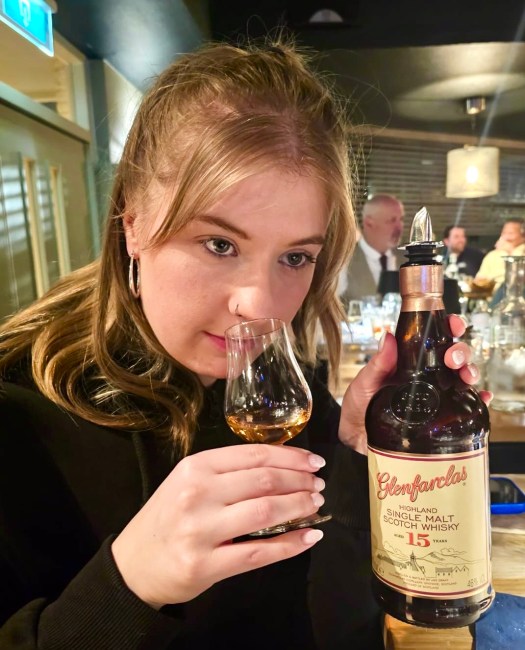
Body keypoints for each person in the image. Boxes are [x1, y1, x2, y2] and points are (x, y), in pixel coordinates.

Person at [0, 39, 483, 650]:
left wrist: (366, 453)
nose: (259, 306)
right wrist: (129, 583)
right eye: (219, 244)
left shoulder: (283, 392)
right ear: (132, 222)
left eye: (295, 257)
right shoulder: (18, 414)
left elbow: (333, 609)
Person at [339, 194, 405, 307]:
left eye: (401, 219)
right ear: (369, 223)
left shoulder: (408, 259)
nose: (399, 227)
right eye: (392, 220)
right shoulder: (344, 260)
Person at [475, 218, 525, 289]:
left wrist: (511, 251)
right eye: (504, 233)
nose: (505, 237)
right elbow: (479, 280)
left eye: (510, 233)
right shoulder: (492, 255)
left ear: (523, 237)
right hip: (494, 293)